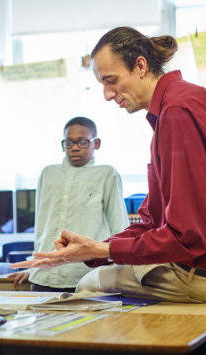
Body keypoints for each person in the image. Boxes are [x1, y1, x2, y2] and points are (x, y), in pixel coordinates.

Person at [13, 27, 206, 303]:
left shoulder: (177, 113)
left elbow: (190, 236)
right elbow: (156, 222)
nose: (107, 94)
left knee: (88, 286)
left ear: (140, 66)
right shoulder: (185, 101)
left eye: (111, 80)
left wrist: (103, 251)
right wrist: (96, 248)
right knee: (104, 270)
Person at [10, 117, 129, 292]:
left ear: (96, 143)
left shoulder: (106, 174)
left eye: (82, 142)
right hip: (44, 277)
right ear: (62, 145)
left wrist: (123, 269)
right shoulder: (48, 173)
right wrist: (34, 266)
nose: (74, 147)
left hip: (87, 277)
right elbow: (42, 226)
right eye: (69, 143)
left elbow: (119, 227)